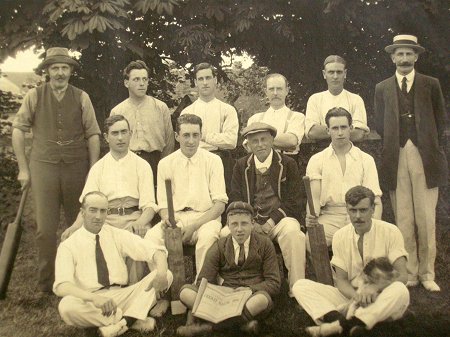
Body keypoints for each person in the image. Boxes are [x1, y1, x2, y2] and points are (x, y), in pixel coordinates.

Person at [11, 47, 101, 293]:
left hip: (76, 168)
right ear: (47, 71)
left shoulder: (82, 97)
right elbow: (18, 130)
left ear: (71, 71)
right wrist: (23, 168)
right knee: (44, 229)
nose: (60, 73)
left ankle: (80, 278)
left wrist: (93, 170)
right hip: (43, 168)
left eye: (64, 68)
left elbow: (93, 135)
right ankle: (46, 282)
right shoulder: (35, 96)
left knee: (79, 224)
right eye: (55, 68)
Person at [374, 34, 448, 292]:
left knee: (426, 217)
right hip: (396, 156)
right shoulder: (382, 88)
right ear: (392, 57)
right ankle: (411, 272)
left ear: (416, 56)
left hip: (425, 156)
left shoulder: (431, 84)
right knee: (403, 217)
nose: (404, 59)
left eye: (409, 54)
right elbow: (380, 124)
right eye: (399, 54)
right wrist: (398, 143)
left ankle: (428, 274)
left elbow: (440, 121)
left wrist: (426, 145)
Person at [293, 186, 410, 337]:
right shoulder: (340, 236)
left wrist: (374, 288)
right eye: (353, 210)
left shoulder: (390, 231)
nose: (357, 216)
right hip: (351, 296)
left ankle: (339, 326)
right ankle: (350, 324)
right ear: (347, 210)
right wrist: (357, 296)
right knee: (300, 286)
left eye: (363, 210)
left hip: (382, 294)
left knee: (400, 290)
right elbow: (341, 281)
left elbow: (402, 276)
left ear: (373, 209)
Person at [53, 191, 172, 337]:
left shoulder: (116, 234)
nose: (98, 216)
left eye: (103, 211)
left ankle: (121, 324)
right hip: (93, 302)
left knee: (167, 274)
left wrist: (161, 274)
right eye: (93, 210)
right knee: (66, 306)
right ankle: (132, 320)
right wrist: (94, 298)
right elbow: (62, 286)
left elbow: (155, 251)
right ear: (82, 212)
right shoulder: (69, 245)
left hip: (123, 295)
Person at [177, 201, 281, 336]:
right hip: (224, 299)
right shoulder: (220, 246)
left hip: (250, 297)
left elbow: (274, 283)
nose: (239, 229)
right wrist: (217, 295)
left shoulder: (264, 244)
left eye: (244, 223)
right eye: (234, 224)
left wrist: (250, 289)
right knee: (185, 292)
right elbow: (203, 280)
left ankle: (209, 327)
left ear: (252, 224)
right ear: (228, 226)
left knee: (261, 300)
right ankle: (242, 325)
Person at [228, 122, 306, 294]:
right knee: (224, 234)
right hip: (251, 222)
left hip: (279, 221)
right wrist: (250, 223)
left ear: (272, 140)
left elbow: (295, 201)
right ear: (248, 144)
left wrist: (271, 222)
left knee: (294, 234)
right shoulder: (241, 166)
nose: (260, 144)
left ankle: (298, 289)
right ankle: (232, 288)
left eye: (264, 139)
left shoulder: (287, 164)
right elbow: (236, 198)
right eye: (254, 141)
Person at [144, 114, 228, 275]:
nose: (191, 141)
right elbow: (162, 204)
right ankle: (163, 285)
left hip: (205, 219)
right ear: (177, 137)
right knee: (151, 238)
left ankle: (201, 288)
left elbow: (219, 205)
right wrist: (168, 219)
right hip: (177, 219)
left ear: (201, 135)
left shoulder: (213, 161)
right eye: (186, 135)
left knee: (208, 239)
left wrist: (194, 226)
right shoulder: (165, 163)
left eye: (195, 135)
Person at [305, 107, 382, 247]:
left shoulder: (366, 159)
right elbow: (314, 200)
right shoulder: (317, 160)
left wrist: (374, 226)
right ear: (328, 130)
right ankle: (333, 270)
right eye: (335, 128)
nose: (340, 133)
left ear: (351, 128)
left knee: (365, 244)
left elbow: (375, 200)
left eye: (343, 127)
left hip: (360, 215)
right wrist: (311, 218)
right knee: (311, 242)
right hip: (330, 217)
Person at [110, 60, 174, 185]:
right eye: (136, 79)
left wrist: (163, 166)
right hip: (127, 162)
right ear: (126, 83)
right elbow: (114, 144)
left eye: (145, 79)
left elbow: (169, 141)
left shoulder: (160, 107)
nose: (141, 84)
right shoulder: (117, 111)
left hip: (156, 162)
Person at [180, 62, 239, 193]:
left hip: (221, 161)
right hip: (195, 161)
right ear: (195, 82)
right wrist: (217, 138)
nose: (205, 82)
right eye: (201, 79)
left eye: (208, 78)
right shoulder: (187, 112)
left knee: (221, 199)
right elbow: (185, 144)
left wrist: (203, 135)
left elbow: (231, 141)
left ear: (215, 80)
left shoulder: (227, 110)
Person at [305, 55, 369, 142]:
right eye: (331, 72)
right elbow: (312, 132)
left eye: (339, 72)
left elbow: (358, 134)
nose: (335, 76)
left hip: (350, 150)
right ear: (324, 74)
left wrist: (326, 131)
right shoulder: (315, 99)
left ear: (345, 73)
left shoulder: (356, 99)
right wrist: (345, 130)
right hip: (323, 151)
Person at [245, 73, 305, 160]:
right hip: (260, 164)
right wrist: (282, 144)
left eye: (279, 89)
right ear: (266, 91)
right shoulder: (255, 119)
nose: (275, 93)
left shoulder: (297, 117)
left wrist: (259, 139)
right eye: (271, 89)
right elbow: (250, 147)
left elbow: (291, 141)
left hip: (288, 164)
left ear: (287, 91)